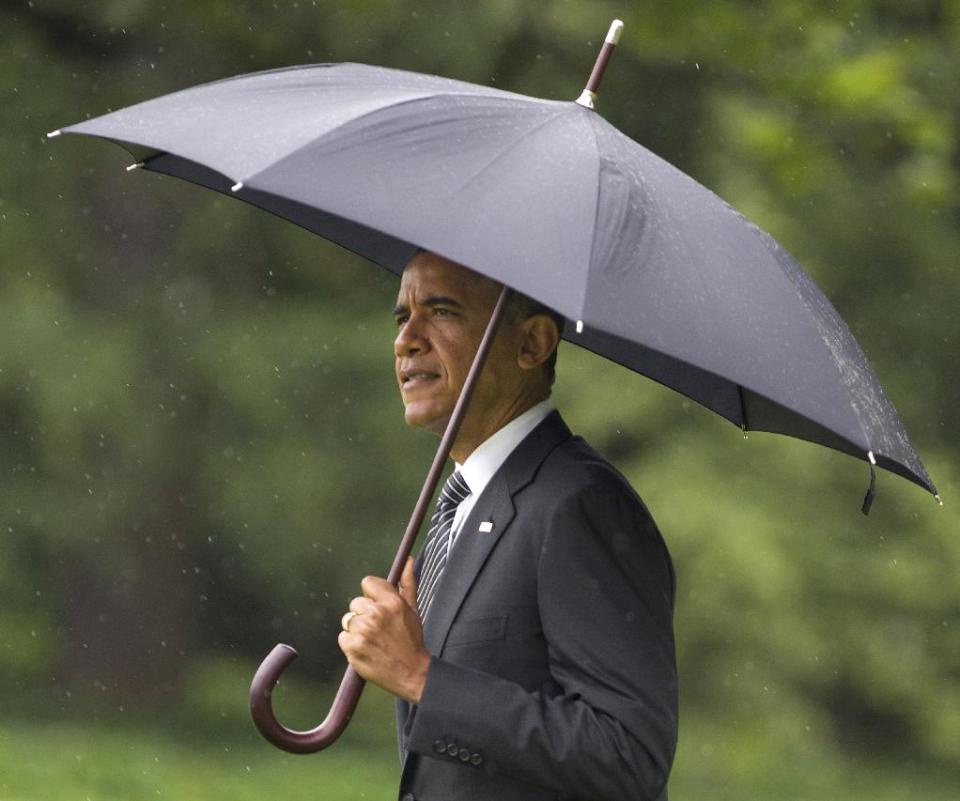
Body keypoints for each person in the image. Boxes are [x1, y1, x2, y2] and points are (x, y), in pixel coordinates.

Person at [337, 250, 678, 801]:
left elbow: (630, 755)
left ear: (532, 344)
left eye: (442, 311)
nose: (407, 340)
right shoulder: (461, 508)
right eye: (403, 317)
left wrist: (421, 676)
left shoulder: (580, 504)